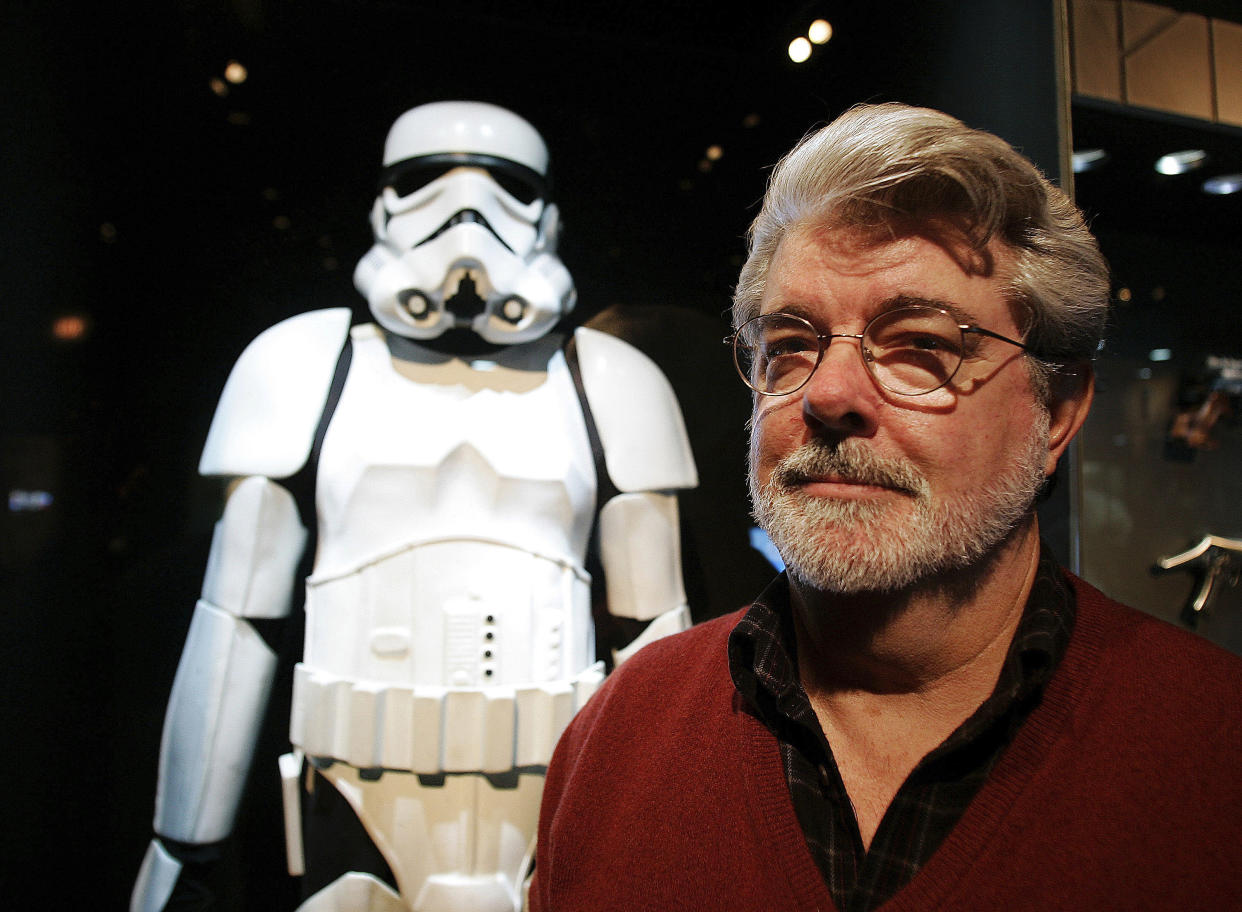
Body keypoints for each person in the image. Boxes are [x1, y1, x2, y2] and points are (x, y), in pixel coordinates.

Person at [530, 103, 1242, 911]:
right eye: (789, 345)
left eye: (920, 347)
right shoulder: (620, 739)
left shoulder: (1214, 756)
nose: (829, 394)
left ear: (1058, 413)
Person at [130, 101, 697, 912]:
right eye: (424, 181)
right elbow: (232, 625)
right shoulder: (305, 366)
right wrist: (182, 852)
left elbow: (655, 646)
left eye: (505, 187)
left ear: (548, 214)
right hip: (351, 800)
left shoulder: (607, 382)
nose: (467, 213)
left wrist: (663, 837)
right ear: (383, 205)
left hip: (553, 804)